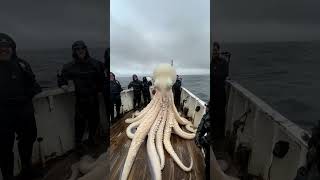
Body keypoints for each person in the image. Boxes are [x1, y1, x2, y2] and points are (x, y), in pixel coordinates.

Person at [0, 33, 42, 180]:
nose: (3, 49)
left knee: (28, 139)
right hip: (3, 115)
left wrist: (27, 95)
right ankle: (8, 176)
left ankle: (26, 168)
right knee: (4, 147)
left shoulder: (22, 64)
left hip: (24, 111)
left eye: (7, 47)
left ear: (13, 49)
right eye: (0, 47)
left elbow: (35, 85)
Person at [57, 40, 105, 148]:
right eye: (77, 49)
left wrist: (102, 88)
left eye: (82, 48)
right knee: (79, 123)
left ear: (86, 49)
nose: (80, 51)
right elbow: (61, 77)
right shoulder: (70, 66)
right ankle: (78, 144)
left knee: (94, 121)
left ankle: (92, 139)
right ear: (74, 51)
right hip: (81, 100)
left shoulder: (96, 64)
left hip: (94, 98)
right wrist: (63, 84)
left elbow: (103, 76)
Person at [211, 42, 229, 139]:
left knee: (221, 114)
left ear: (219, 50)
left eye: (216, 50)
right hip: (213, 93)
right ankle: (214, 134)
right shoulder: (211, 62)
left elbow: (224, 74)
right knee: (213, 114)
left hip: (220, 93)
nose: (214, 52)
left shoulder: (224, 62)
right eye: (213, 50)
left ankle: (220, 135)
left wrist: (214, 75)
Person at [195, 101, 211, 180]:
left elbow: (200, 130)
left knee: (208, 164)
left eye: (207, 107)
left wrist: (199, 141)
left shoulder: (207, 117)